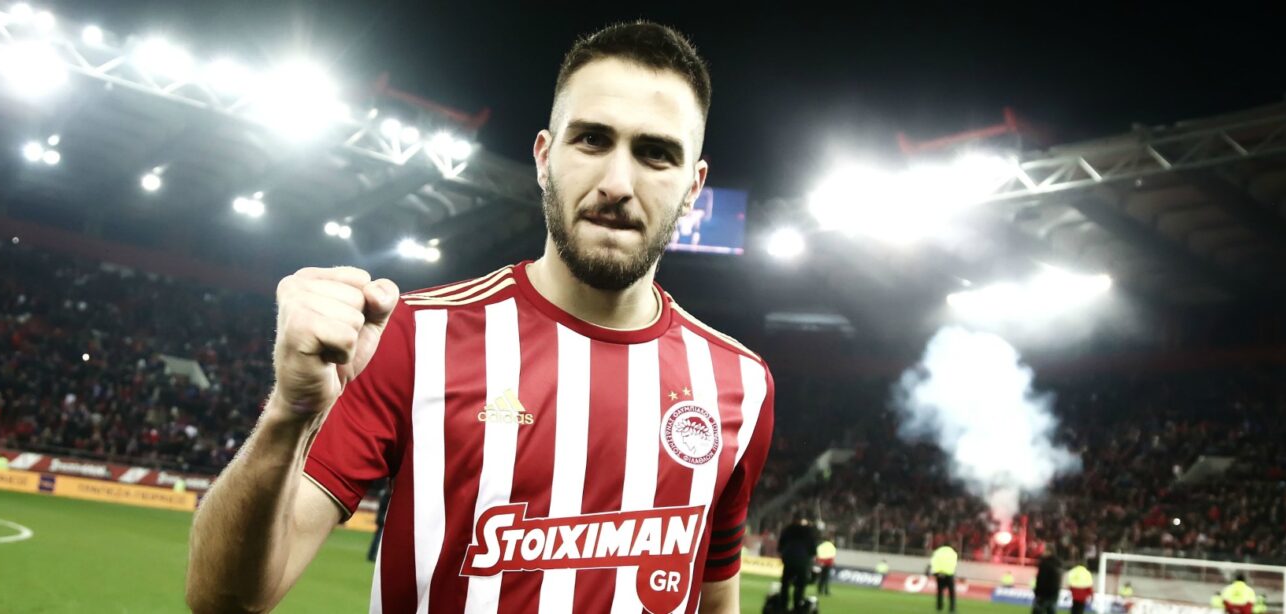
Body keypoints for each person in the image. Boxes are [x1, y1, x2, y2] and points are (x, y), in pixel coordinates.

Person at [184, 21, 777, 614]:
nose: (617, 183)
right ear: (544, 158)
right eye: (592, 140)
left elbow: (714, 601)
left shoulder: (741, 386)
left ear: (693, 187)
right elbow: (224, 600)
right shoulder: (414, 337)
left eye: (655, 154)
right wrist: (288, 414)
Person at [778, 517, 819, 610]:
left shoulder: (789, 529)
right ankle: (797, 605)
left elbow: (781, 543)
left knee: (785, 582)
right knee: (801, 584)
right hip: (802, 560)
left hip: (789, 558)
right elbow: (812, 546)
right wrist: (812, 556)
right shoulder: (808, 531)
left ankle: (783, 604)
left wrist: (782, 552)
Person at [1033, 546, 1062, 614]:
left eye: (1045, 551)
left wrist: (1038, 592)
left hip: (1043, 593)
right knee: (1051, 611)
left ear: (1049, 552)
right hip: (1054, 593)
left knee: (1038, 611)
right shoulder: (1058, 564)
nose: (1043, 552)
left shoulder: (1045, 564)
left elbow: (1042, 579)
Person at [931, 544, 959, 613]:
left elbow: (933, 561)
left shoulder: (938, 551)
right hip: (949, 573)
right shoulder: (952, 552)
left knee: (940, 591)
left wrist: (935, 572)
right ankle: (952, 608)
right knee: (951, 592)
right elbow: (954, 563)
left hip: (939, 573)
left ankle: (939, 607)